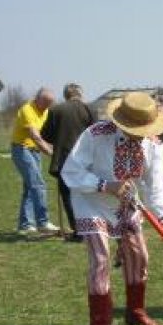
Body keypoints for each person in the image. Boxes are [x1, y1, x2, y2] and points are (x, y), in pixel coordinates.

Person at [62, 91, 163, 325]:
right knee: (101, 260)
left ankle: (135, 312)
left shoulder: (153, 144)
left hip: (127, 202)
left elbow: (155, 182)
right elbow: (71, 171)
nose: (142, 135)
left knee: (139, 256)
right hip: (91, 201)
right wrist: (105, 185)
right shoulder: (95, 135)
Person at [41, 83, 95, 242]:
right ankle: (91, 228)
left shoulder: (55, 110)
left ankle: (79, 232)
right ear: (80, 94)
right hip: (86, 160)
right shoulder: (88, 110)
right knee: (87, 194)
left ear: (66, 95)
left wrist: (58, 138)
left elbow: (45, 134)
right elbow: (96, 133)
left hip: (64, 159)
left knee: (68, 196)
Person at [10, 87, 60, 235]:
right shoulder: (27, 110)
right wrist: (52, 153)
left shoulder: (45, 111)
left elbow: (48, 134)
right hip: (22, 149)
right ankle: (43, 222)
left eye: (49, 104)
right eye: (45, 103)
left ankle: (25, 224)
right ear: (37, 98)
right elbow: (36, 136)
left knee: (30, 187)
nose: (47, 107)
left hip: (34, 151)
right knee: (38, 184)